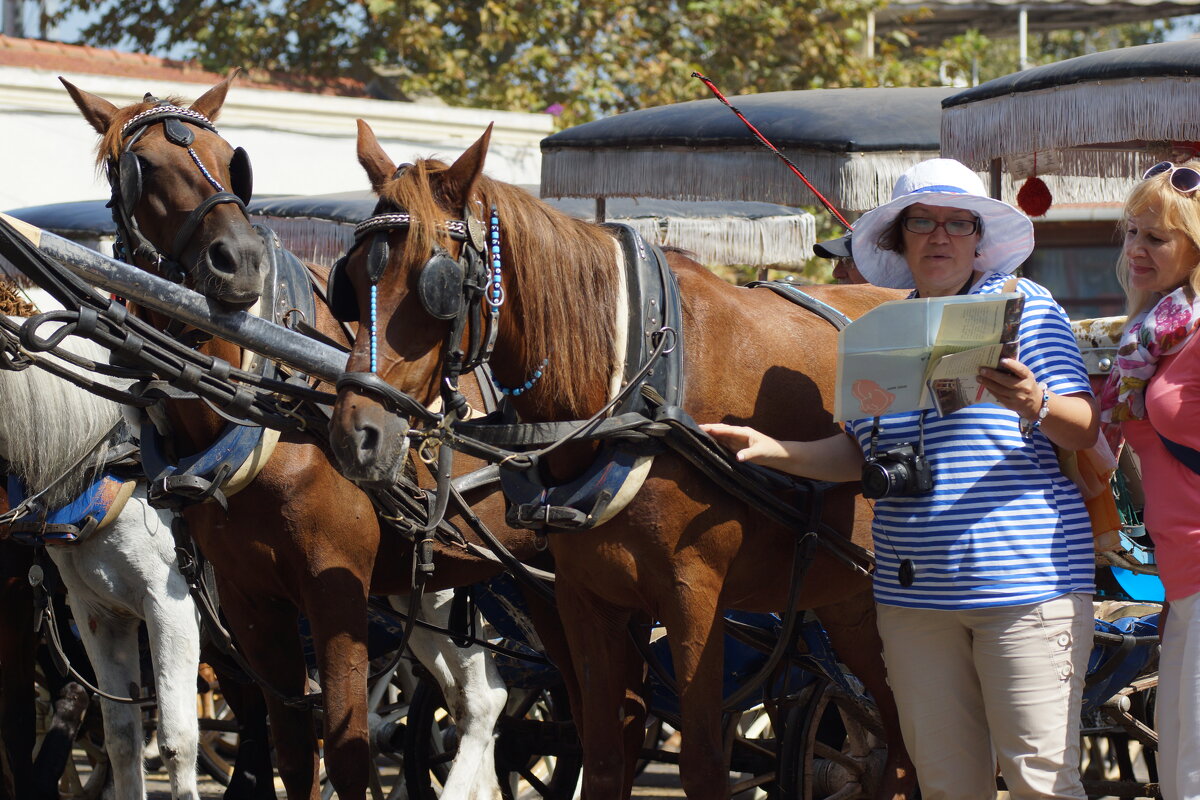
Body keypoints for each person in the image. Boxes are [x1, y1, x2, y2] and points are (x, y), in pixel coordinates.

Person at [704, 158, 1099, 800]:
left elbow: (1083, 428)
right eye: (922, 222)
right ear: (899, 238)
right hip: (912, 598)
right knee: (946, 787)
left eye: (957, 223)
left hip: (1026, 585)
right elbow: (859, 457)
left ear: (978, 238)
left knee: (1041, 785)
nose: (939, 236)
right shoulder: (876, 331)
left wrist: (1035, 402)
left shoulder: (1024, 306)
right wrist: (775, 449)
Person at [1098, 159, 1200, 800]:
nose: (1135, 249)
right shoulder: (1157, 333)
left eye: (1156, 238)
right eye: (1132, 232)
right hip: (1184, 576)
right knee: (1182, 764)